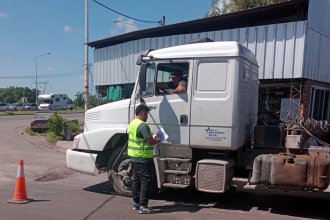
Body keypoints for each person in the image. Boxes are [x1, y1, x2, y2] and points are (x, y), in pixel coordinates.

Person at [128, 104, 161, 214]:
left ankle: (136, 203)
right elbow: (150, 142)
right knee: (145, 181)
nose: (147, 116)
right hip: (143, 157)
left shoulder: (132, 123)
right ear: (142, 113)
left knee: (136, 180)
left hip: (134, 156)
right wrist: (157, 139)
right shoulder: (143, 126)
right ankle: (144, 206)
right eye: (146, 114)